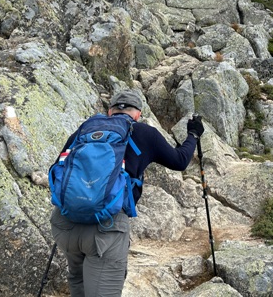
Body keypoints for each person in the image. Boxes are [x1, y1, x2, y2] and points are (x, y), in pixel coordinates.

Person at [50, 90, 204, 297]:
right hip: (106, 228)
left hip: (65, 223)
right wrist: (193, 135)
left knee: (78, 281)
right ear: (138, 114)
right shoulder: (144, 133)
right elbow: (180, 161)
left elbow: (57, 168)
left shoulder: (85, 131)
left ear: (110, 111)